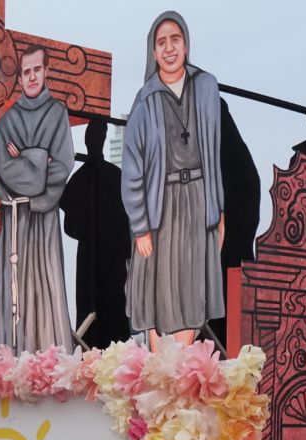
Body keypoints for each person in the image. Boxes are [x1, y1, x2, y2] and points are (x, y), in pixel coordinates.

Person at [122, 11, 225, 350]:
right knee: (158, 289)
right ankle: (158, 368)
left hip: (197, 197)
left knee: (192, 287)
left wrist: (217, 209)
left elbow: (213, 151)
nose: (169, 48)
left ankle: (183, 366)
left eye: (175, 40)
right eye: (161, 42)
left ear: (186, 45)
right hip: (160, 203)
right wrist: (140, 226)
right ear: (153, 52)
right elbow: (132, 166)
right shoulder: (145, 100)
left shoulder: (206, 87)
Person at [0, 45, 75, 354]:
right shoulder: (7, 122)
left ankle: (49, 364)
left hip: (43, 218)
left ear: (46, 71)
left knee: (45, 287)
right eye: (26, 72)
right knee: (15, 294)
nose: (32, 77)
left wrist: (27, 159)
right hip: (15, 221)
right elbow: (2, 172)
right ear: (19, 78)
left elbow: (63, 165)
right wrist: (40, 159)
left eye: (37, 70)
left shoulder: (57, 114)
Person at [60, 121, 131, 349]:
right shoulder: (116, 175)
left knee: (92, 303)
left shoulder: (78, 178)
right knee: (112, 305)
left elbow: (70, 223)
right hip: (111, 256)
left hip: (91, 256)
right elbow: (126, 219)